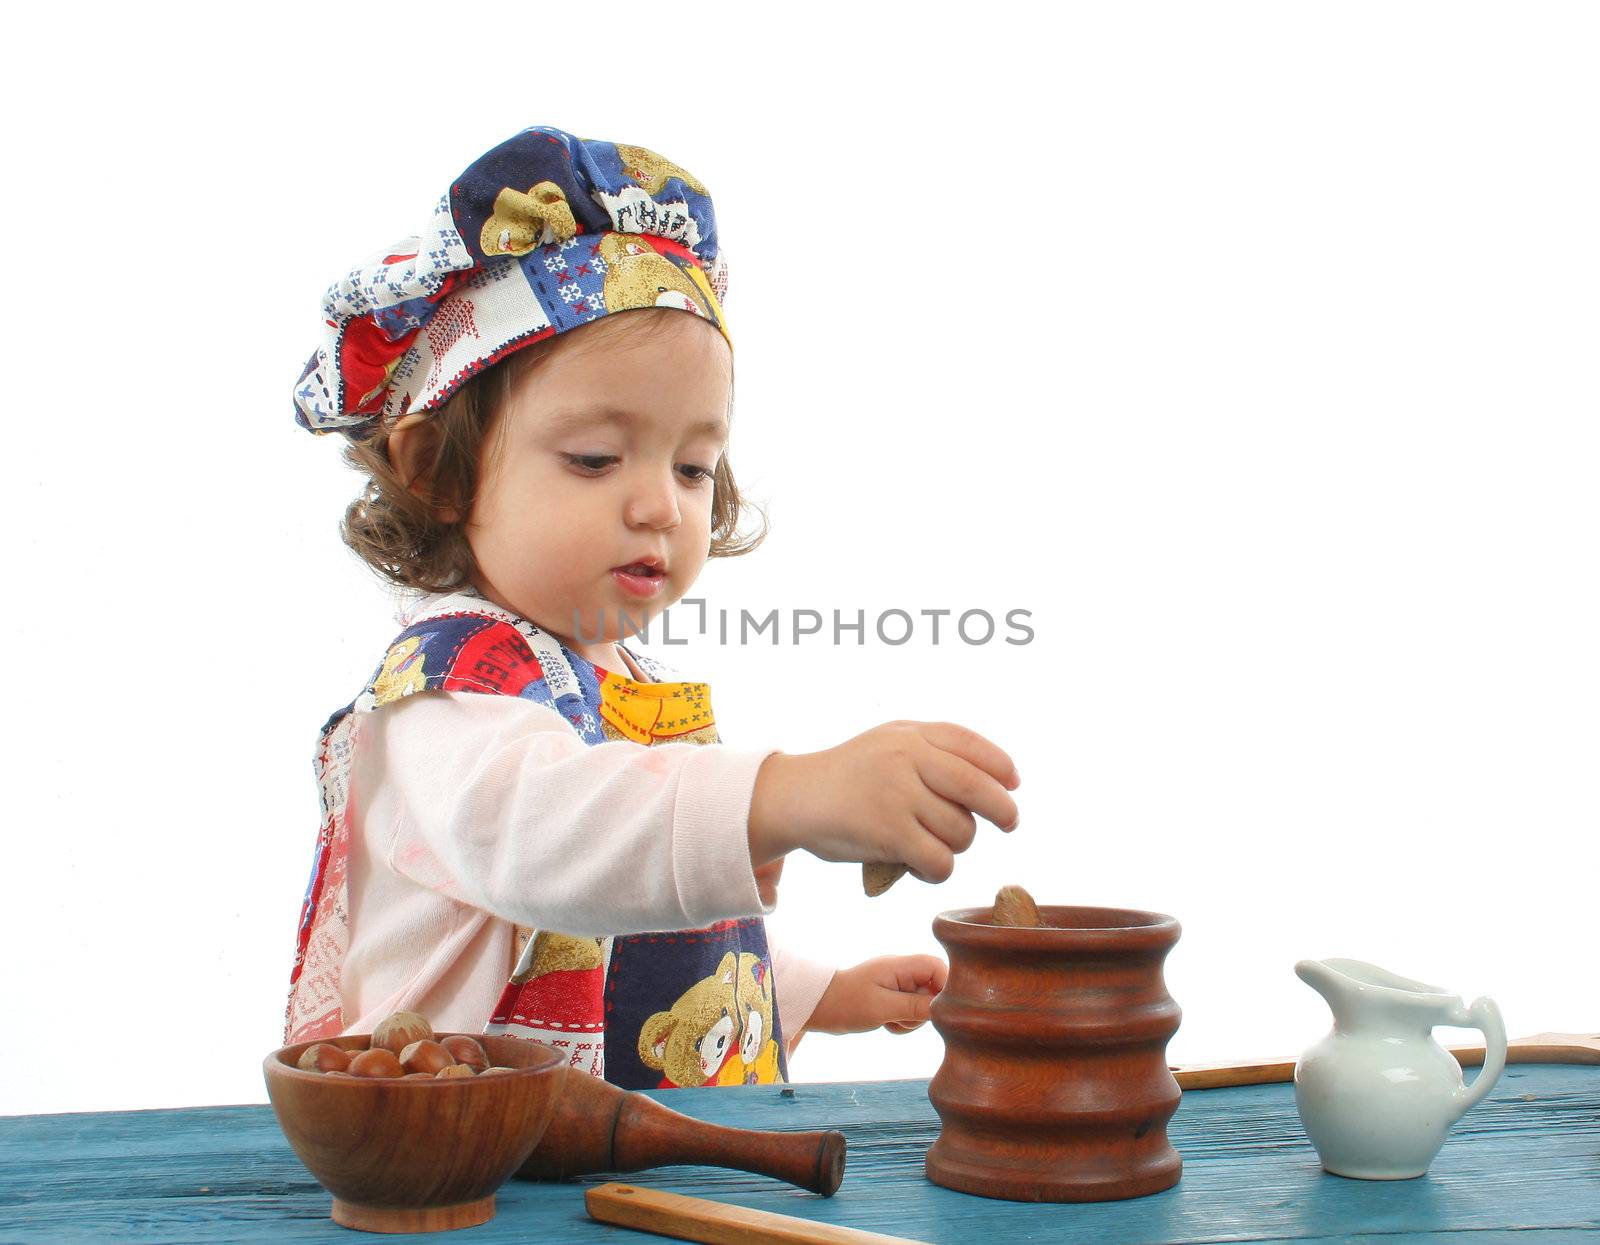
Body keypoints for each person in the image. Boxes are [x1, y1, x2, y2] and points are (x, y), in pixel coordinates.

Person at [283, 125, 1021, 1090]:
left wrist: (815, 992)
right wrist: (788, 795)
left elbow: (641, 926)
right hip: (472, 1173)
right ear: (439, 470)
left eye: (692, 466)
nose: (659, 505)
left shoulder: (613, 682)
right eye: (595, 458)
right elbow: (548, 842)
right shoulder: (449, 690)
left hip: (613, 1170)